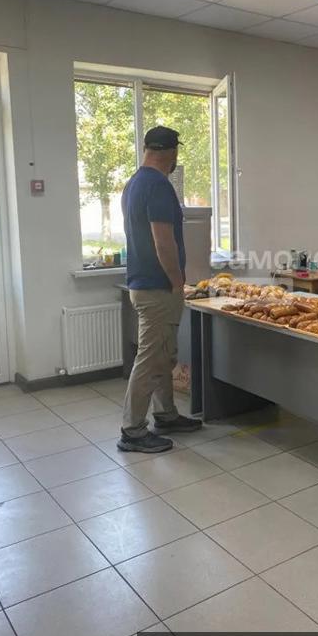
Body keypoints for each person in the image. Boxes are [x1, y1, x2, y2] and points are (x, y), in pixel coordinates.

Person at [118, 125, 202, 453]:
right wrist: (178, 282)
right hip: (158, 287)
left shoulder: (134, 183)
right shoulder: (159, 185)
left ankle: (166, 415)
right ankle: (132, 431)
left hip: (143, 283)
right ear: (172, 152)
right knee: (151, 359)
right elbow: (163, 242)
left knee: (163, 354)